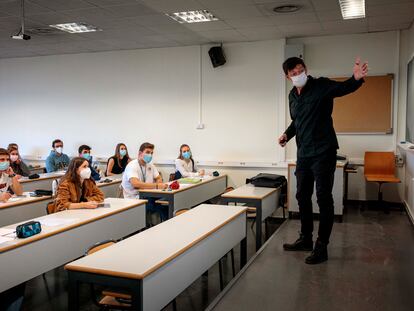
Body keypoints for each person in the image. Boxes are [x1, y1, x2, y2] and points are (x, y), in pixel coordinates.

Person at [279, 56, 368, 264]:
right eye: (293, 73)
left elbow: (343, 88)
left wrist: (356, 79)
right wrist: (286, 135)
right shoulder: (292, 95)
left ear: (305, 69)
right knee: (301, 195)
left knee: (323, 197)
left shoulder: (321, 86)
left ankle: (322, 246)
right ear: (287, 76)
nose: (298, 74)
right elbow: (297, 122)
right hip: (304, 154)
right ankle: (306, 238)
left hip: (323, 151)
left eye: (300, 70)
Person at [122, 142, 168, 220]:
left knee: (165, 200)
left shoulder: (150, 165)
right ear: (140, 153)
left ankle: (166, 221)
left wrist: (159, 183)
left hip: (149, 195)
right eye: (147, 152)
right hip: (134, 197)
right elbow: (135, 183)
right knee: (160, 205)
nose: (150, 155)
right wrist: (156, 186)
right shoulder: (132, 165)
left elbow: (158, 178)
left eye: (151, 153)